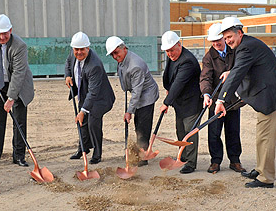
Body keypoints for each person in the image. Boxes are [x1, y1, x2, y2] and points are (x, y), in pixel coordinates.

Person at [215, 17, 276, 188]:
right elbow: (241, 69)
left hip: (271, 98)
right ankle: (260, 169)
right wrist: (232, 71)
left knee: (266, 139)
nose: (228, 41)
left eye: (230, 37)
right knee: (261, 137)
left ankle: (266, 178)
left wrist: (220, 99)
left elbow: (238, 73)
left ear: (240, 33)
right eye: (226, 38)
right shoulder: (246, 45)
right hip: (266, 96)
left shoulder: (246, 48)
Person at [0, 14, 34, 167]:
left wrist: (11, 98)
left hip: (19, 85)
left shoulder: (19, 46)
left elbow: (18, 73)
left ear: (11, 30)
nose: (2, 37)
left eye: (5, 33)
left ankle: (19, 156)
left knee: (19, 121)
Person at [105, 36, 159, 167]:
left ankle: (143, 157)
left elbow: (137, 92)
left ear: (124, 48)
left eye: (116, 52)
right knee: (137, 124)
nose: (114, 56)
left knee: (143, 126)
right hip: (138, 93)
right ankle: (136, 152)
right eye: (112, 54)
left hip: (147, 95)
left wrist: (129, 111)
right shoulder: (123, 59)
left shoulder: (135, 66)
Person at [200, 23, 246, 174]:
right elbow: (205, 77)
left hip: (232, 101)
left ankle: (235, 160)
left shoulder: (235, 50)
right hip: (215, 102)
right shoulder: (209, 57)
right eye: (213, 42)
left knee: (233, 131)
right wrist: (206, 94)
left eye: (218, 40)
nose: (216, 44)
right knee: (214, 133)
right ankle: (215, 161)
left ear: (224, 37)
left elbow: (242, 67)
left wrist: (231, 72)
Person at [65, 32, 115, 164]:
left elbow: (93, 92)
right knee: (81, 122)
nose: (79, 52)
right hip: (85, 93)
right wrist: (68, 75)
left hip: (101, 98)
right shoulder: (73, 53)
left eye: (82, 49)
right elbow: (68, 62)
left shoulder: (95, 65)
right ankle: (83, 148)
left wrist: (83, 111)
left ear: (88, 48)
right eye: (77, 49)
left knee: (93, 122)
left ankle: (97, 154)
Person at [159, 31, 203, 174]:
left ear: (179, 44)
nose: (169, 54)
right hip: (179, 102)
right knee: (180, 131)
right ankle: (182, 157)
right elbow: (170, 77)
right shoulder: (172, 57)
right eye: (167, 51)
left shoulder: (187, 61)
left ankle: (190, 163)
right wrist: (168, 90)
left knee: (189, 132)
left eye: (172, 50)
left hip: (191, 102)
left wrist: (166, 102)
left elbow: (179, 83)